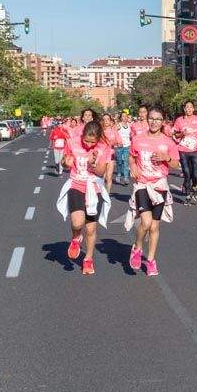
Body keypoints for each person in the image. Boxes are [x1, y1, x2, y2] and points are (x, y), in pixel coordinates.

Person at [127, 109, 180, 277]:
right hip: (142, 184)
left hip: (159, 185)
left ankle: (150, 260)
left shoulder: (168, 142)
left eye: (158, 119)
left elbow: (176, 165)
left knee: (155, 225)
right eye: (152, 118)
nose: (154, 122)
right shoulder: (138, 139)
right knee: (146, 221)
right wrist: (134, 167)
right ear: (147, 120)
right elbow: (131, 156)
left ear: (163, 121)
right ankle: (137, 247)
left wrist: (166, 158)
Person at [58, 121, 113, 276]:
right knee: (77, 222)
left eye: (92, 142)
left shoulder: (103, 147)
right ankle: (76, 238)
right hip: (76, 184)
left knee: (90, 228)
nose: (88, 144)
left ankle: (88, 259)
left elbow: (101, 172)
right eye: (86, 141)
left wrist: (93, 163)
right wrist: (66, 162)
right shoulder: (72, 142)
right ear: (82, 136)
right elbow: (65, 160)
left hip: (94, 189)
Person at [172, 101, 197, 205]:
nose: (189, 109)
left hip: (194, 149)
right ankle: (188, 195)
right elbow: (175, 135)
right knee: (186, 172)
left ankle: (194, 188)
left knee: (195, 174)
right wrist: (182, 134)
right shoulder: (179, 120)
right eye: (187, 107)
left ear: (193, 109)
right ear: (184, 109)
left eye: (191, 107)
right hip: (183, 150)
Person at [100, 113, 120, 193]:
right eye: (104, 119)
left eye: (107, 119)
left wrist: (114, 143)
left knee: (109, 176)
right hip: (101, 156)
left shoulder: (114, 131)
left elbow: (119, 142)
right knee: (102, 176)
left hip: (111, 155)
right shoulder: (100, 131)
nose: (106, 121)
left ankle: (107, 194)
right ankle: (101, 192)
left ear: (110, 121)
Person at [114, 112, 132, 185]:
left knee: (126, 161)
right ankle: (118, 175)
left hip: (127, 146)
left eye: (126, 116)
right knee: (119, 161)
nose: (124, 118)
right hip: (119, 146)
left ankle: (125, 177)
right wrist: (117, 142)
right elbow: (114, 134)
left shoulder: (129, 125)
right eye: (123, 116)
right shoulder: (118, 125)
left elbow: (131, 135)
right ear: (121, 118)